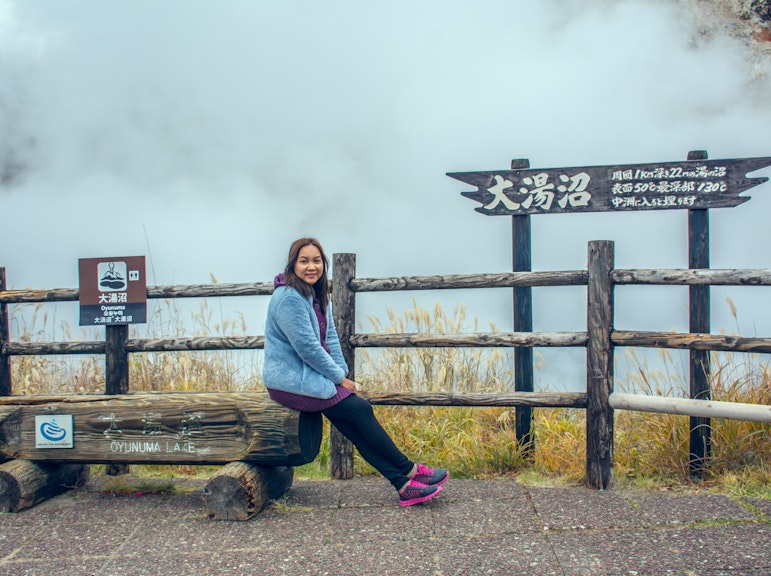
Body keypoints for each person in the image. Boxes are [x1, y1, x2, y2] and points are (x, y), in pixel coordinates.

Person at [262, 237, 448, 506]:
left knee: (354, 420)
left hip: (311, 378)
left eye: (316, 261)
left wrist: (341, 371)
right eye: (304, 261)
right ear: (292, 265)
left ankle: (404, 485)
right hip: (289, 382)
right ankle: (409, 471)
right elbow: (309, 349)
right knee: (359, 410)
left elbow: (332, 338)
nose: (311, 267)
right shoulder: (288, 298)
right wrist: (338, 379)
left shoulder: (315, 293)